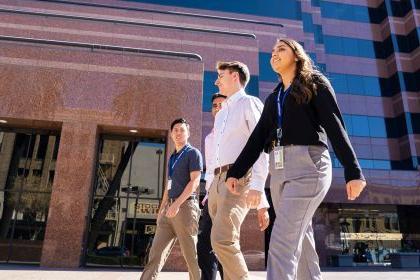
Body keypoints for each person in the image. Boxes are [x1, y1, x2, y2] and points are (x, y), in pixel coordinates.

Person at [226, 38, 367, 280]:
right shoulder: (274, 97)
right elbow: (258, 138)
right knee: (300, 239)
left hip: (309, 166)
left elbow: (335, 126)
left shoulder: (315, 83)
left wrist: (353, 170)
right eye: (272, 51)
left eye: (281, 49)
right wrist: (236, 171)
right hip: (279, 170)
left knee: (282, 241)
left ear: (297, 55)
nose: (274, 54)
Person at [208, 61, 270, 280]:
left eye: (220, 76)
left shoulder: (249, 103)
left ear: (235, 77)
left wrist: (259, 189)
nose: (216, 81)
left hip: (238, 178)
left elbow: (261, 144)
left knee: (222, 239)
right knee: (224, 242)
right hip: (217, 182)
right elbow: (216, 154)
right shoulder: (222, 113)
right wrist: (210, 188)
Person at [140, 118, 202, 280]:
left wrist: (177, 204)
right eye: (175, 130)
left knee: (190, 256)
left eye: (182, 130)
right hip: (169, 209)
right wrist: (162, 209)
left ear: (188, 133)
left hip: (186, 208)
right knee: (155, 253)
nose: (179, 133)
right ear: (171, 135)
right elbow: (169, 186)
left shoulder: (193, 153)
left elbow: (195, 181)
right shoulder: (172, 158)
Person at [197, 93, 226, 280]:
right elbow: (210, 170)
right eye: (214, 105)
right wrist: (207, 194)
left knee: (225, 244)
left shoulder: (235, 132)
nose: (217, 108)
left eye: (221, 105)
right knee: (204, 245)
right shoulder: (209, 139)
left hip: (229, 191)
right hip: (211, 194)